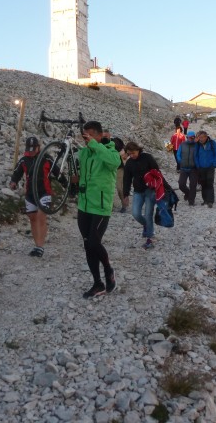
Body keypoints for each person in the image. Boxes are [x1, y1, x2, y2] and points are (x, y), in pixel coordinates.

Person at [76, 121, 122, 298]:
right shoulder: (85, 152)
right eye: (84, 135)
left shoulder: (110, 151)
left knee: (95, 242)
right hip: (84, 205)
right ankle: (97, 283)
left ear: (98, 135)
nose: (86, 138)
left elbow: (113, 163)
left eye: (89, 135)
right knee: (88, 245)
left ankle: (109, 270)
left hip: (101, 206)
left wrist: (95, 145)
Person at [9, 136, 50, 257]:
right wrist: (13, 182)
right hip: (30, 193)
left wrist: (67, 184)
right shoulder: (24, 160)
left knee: (41, 216)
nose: (31, 152)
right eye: (29, 150)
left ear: (38, 147)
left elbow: (57, 172)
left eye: (33, 149)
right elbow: (17, 172)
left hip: (45, 192)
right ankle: (36, 245)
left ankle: (40, 247)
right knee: (32, 218)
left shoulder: (47, 158)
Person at [122, 142, 160, 249]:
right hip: (138, 191)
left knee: (148, 214)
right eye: (129, 154)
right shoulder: (129, 163)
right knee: (136, 214)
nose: (132, 155)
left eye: (133, 153)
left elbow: (157, 172)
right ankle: (147, 226)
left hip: (150, 190)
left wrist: (161, 187)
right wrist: (125, 194)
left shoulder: (147, 158)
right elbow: (127, 179)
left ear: (138, 150)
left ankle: (150, 238)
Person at [103, 129, 128, 213]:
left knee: (120, 188)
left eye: (106, 136)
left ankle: (124, 205)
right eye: (103, 136)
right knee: (106, 188)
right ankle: (109, 205)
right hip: (107, 170)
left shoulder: (116, 141)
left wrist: (124, 154)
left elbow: (125, 149)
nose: (104, 138)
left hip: (119, 168)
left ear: (109, 135)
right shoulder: (100, 144)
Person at [194, 130, 216, 208]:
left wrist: (214, 163)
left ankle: (210, 201)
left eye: (202, 137)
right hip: (201, 167)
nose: (200, 139)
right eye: (199, 137)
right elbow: (195, 155)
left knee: (209, 183)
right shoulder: (198, 144)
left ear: (206, 137)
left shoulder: (212, 143)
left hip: (210, 167)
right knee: (203, 184)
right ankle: (205, 200)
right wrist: (198, 165)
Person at [176, 130, 198, 205]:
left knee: (193, 185)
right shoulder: (182, 144)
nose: (191, 139)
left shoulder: (196, 145)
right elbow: (178, 154)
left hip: (193, 169)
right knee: (181, 184)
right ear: (187, 137)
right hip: (183, 168)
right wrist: (180, 161)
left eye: (192, 138)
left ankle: (191, 201)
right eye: (189, 137)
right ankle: (187, 193)